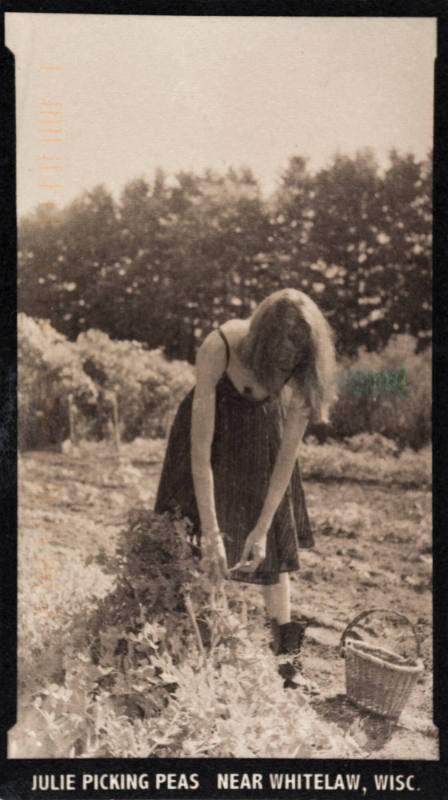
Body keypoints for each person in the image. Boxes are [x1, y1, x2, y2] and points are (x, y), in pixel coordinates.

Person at [155, 288, 336, 659]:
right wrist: (212, 532)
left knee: (273, 548)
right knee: (189, 536)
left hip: (261, 432)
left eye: (294, 359)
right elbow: (200, 452)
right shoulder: (219, 345)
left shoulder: (306, 371)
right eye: (279, 356)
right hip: (210, 436)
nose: (285, 365)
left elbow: (287, 458)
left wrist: (262, 527)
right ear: (262, 342)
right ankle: (190, 642)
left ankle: (287, 659)